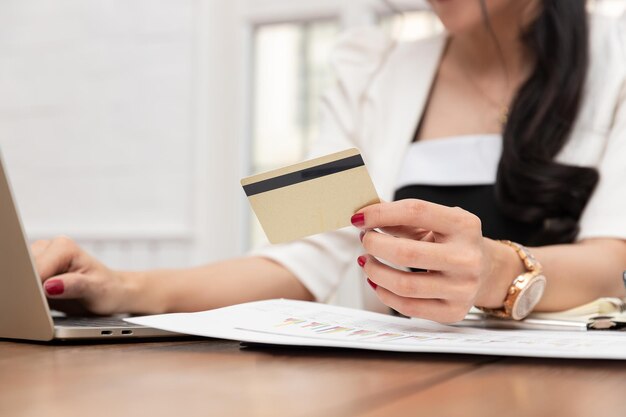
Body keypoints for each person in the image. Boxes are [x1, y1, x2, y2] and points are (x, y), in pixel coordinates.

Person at [34, 0, 626, 323]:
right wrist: (123, 286)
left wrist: (498, 272)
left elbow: (612, 260)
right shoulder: (365, 65)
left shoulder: (617, 53)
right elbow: (298, 260)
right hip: (405, 386)